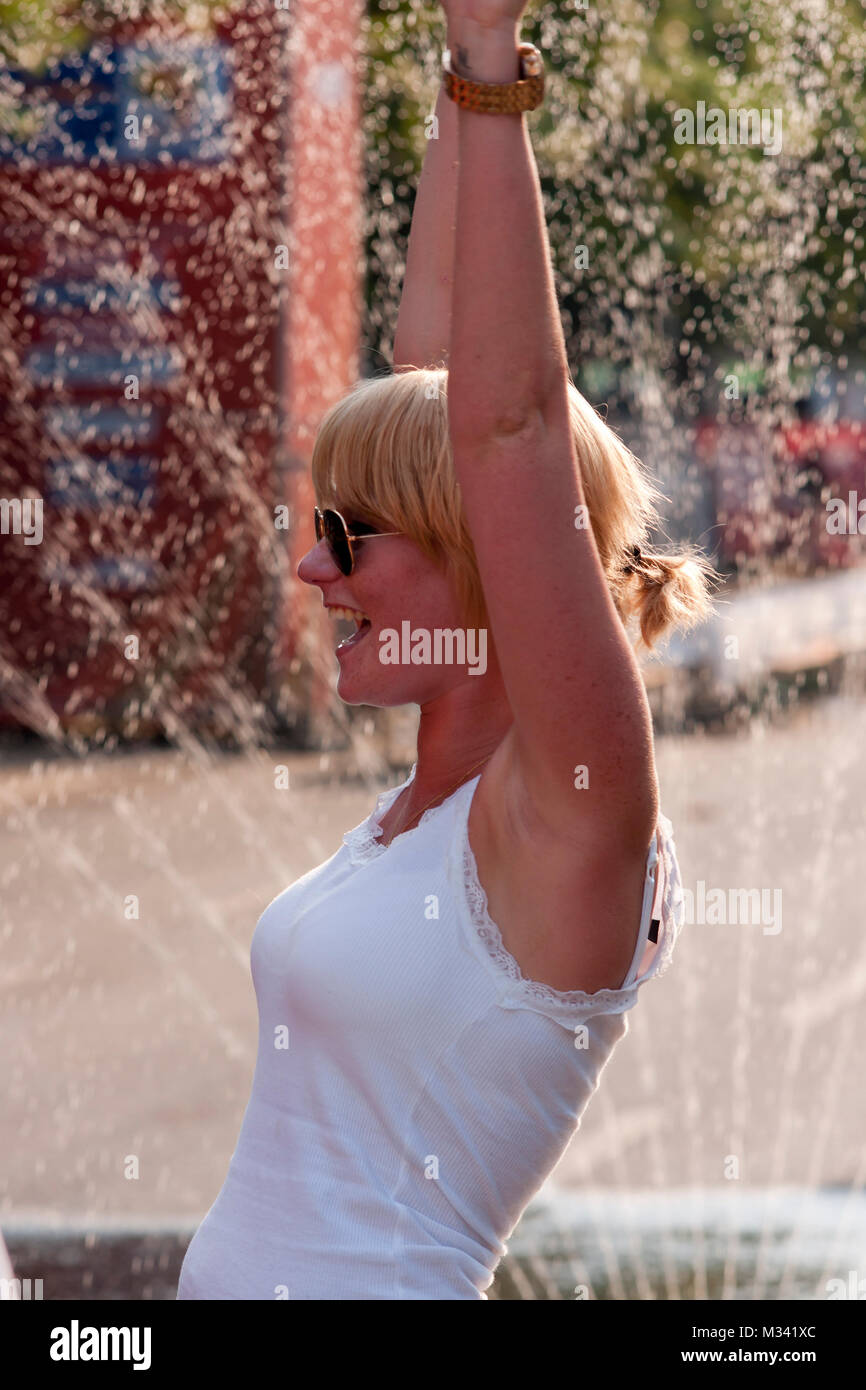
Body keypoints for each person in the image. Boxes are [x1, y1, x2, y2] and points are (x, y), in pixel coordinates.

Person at [177, 0, 715, 1301]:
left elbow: (504, 430)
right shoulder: (436, 806)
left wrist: (490, 59)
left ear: (481, 555)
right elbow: (441, 386)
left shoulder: (568, 812)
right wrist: (451, 64)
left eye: (349, 538)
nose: (314, 567)